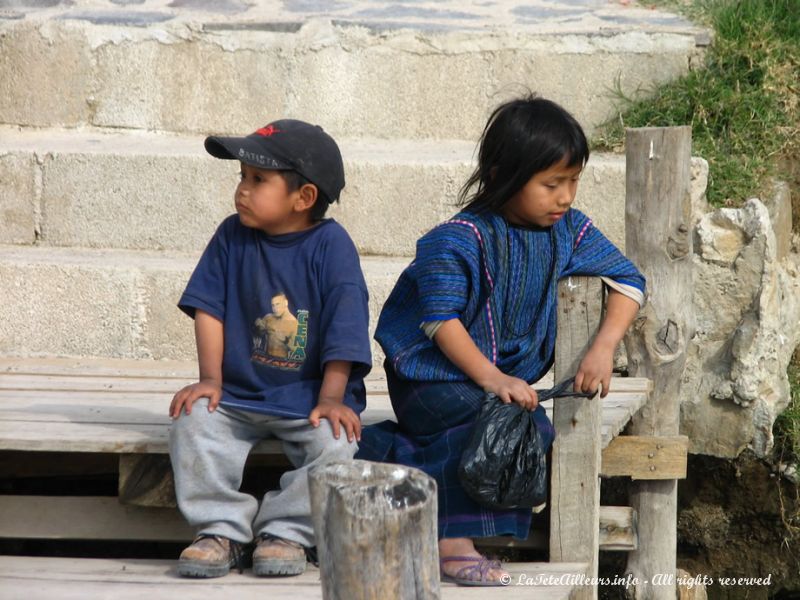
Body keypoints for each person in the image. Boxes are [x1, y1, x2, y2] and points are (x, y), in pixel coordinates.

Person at [356, 96, 646, 586]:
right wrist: (493, 379)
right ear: (500, 175)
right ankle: (449, 540)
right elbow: (440, 322)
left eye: (573, 181)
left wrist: (603, 347)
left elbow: (628, 282)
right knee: (505, 421)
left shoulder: (569, 231)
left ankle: (395, 461)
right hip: (430, 377)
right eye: (551, 184)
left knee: (521, 423)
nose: (566, 197)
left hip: (500, 381)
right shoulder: (456, 239)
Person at [169, 119, 371, 579]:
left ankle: (287, 530)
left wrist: (332, 399)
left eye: (258, 180)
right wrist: (211, 381)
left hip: (308, 398)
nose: (242, 190)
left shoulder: (331, 246)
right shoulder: (230, 236)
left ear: (304, 198)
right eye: (241, 177)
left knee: (337, 444)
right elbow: (209, 310)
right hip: (237, 393)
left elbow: (345, 327)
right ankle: (219, 529)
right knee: (192, 420)